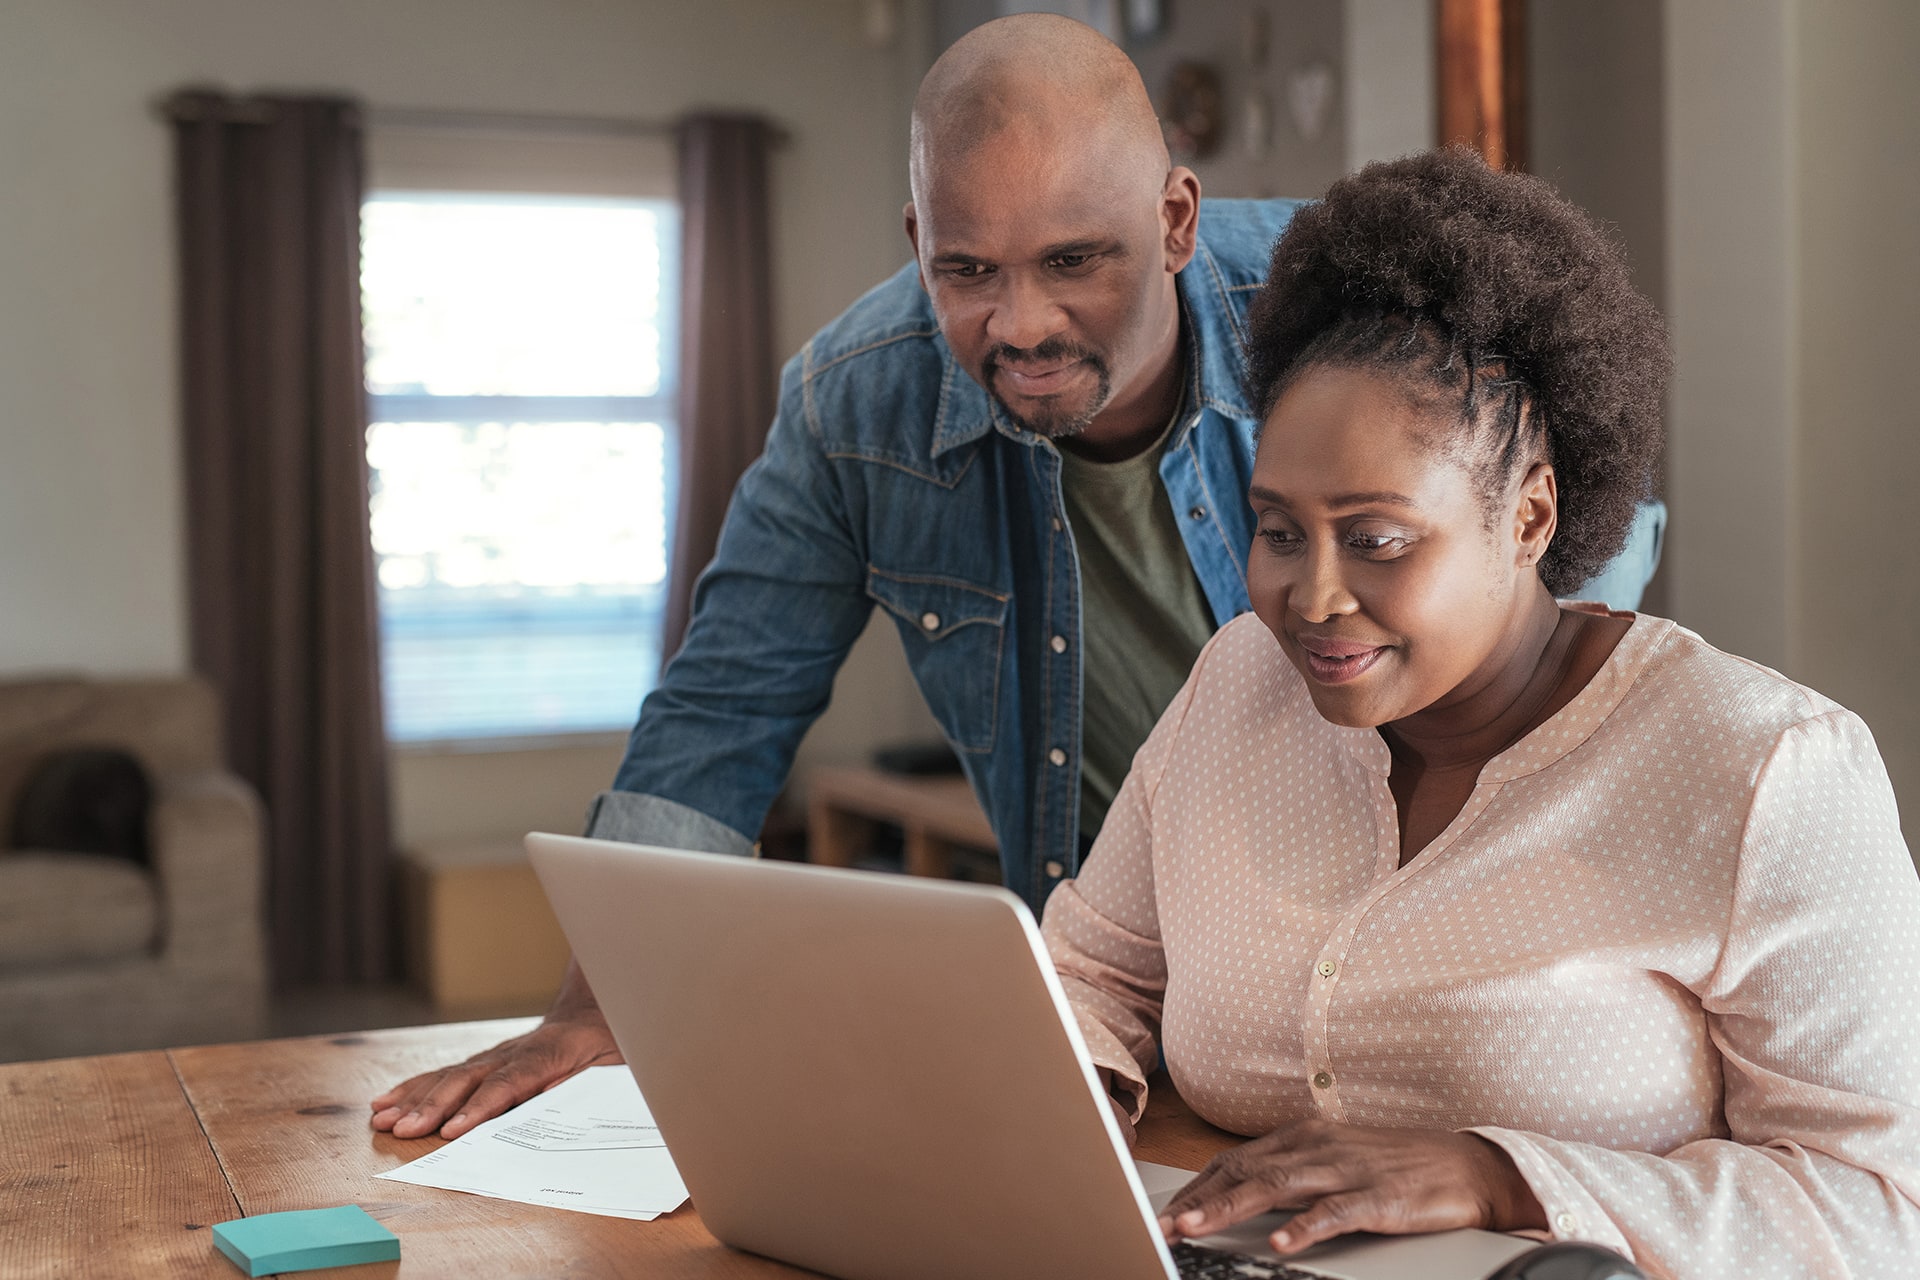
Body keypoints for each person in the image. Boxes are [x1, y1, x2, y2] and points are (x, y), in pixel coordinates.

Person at [371, 17, 1662, 1142]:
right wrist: (602, 1009)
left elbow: (1572, 571)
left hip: (1413, 948)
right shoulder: (853, 402)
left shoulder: (1349, 323)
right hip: (1117, 982)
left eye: (1075, 261)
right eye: (967, 270)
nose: (1024, 324)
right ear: (917, 238)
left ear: (1173, 221)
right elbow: (721, 715)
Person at [1043, 148, 1920, 1278]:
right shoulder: (1236, 687)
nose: (1309, 596)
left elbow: (1884, 1209)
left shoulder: (1767, 770)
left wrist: (1502, 1171)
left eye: (1378, 539)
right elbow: (1090, 970)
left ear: (1531, 516)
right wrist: (1056, 1111)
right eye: (1276, 529)